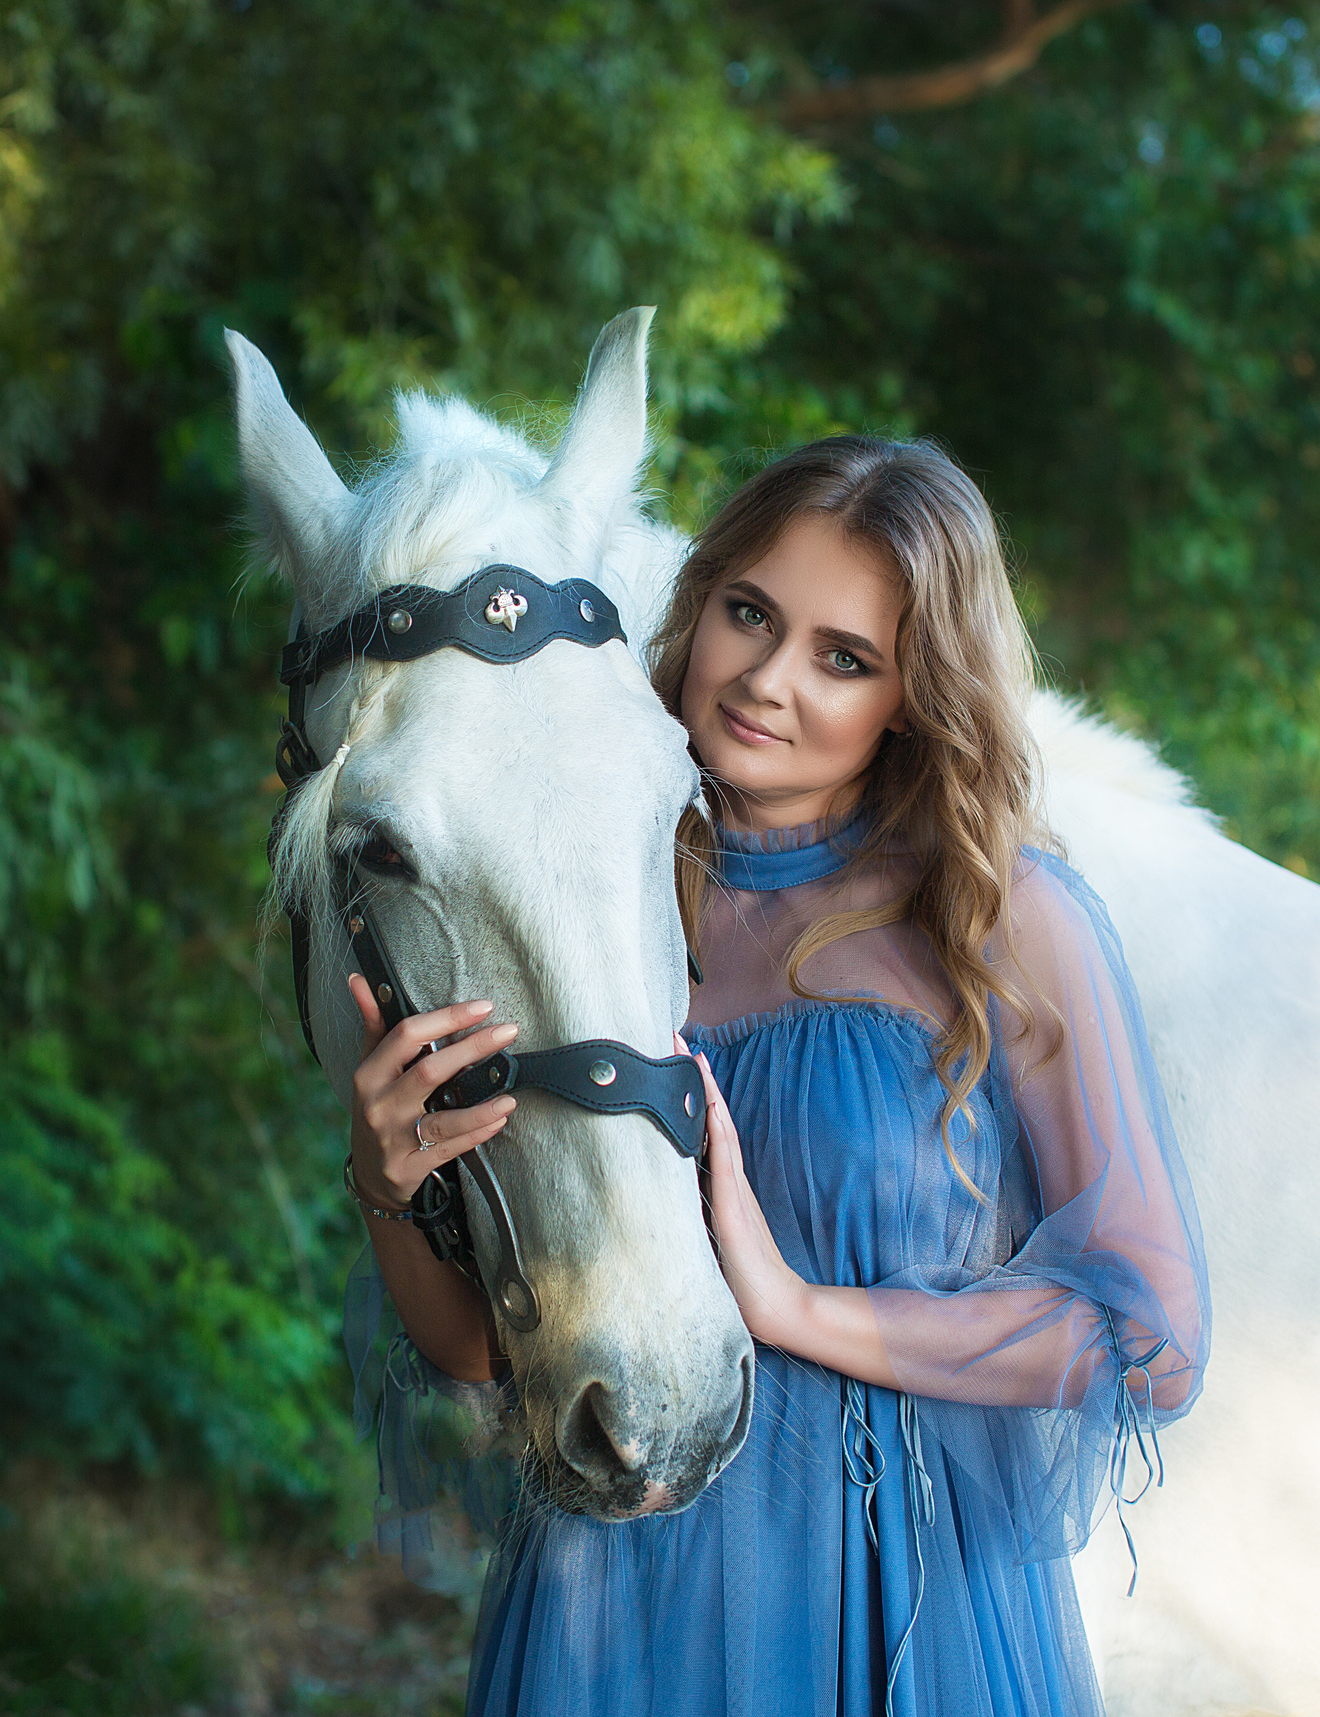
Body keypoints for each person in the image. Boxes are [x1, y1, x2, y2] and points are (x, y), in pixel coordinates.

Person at [341, 436, 1210, 1717]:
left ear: (914, 693)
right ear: (699, 605)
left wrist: (798, 1309)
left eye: (842, 656)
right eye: (749, 612)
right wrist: (385, 1181)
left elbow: (1150, 1339)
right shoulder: (578, 902)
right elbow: (477, 1349)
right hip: (610, 1595)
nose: (765, 679)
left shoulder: (998, 920)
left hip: (894, 1607)